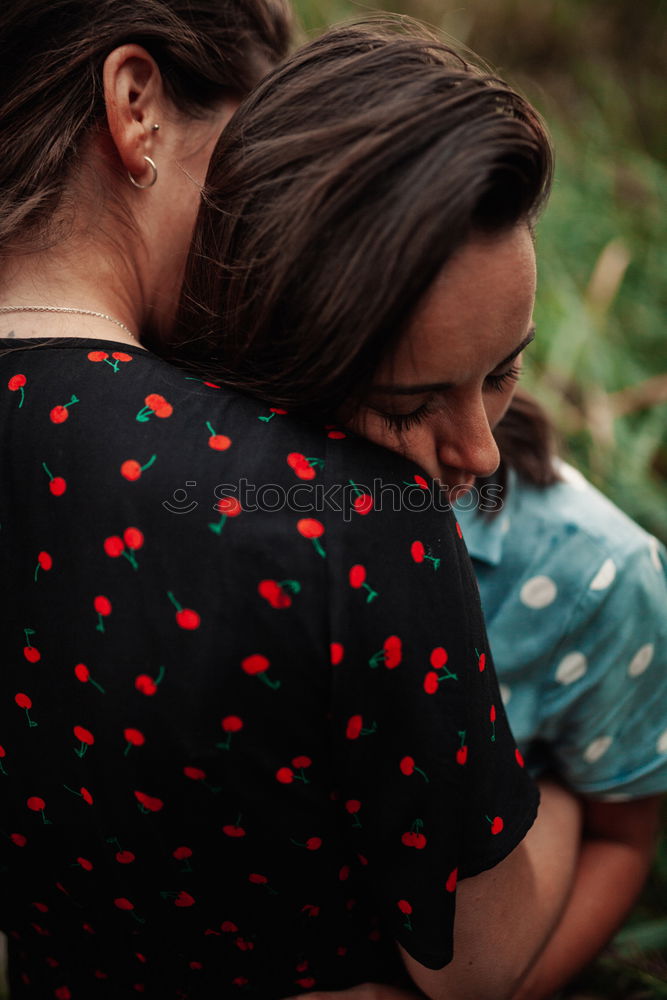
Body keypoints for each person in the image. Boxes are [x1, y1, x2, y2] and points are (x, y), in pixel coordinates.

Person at [0, 12, 577, 1000]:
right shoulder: (349, 512)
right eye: (246, 159)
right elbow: (472, 964)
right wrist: (574, 802)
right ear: (134, 107)